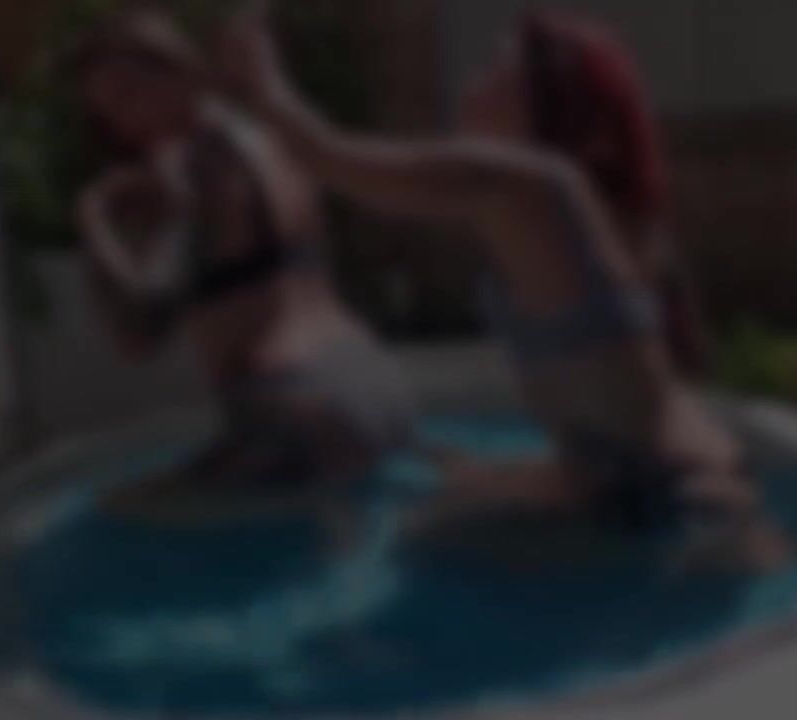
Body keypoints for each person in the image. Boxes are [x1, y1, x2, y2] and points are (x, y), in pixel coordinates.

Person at [217, 3, 788, 570]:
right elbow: (620, 403)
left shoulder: (534, 182)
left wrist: (265, 82)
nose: (475, 79)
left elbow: (329, 158)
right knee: (438, 502)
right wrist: (506, 478)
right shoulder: (575, 216)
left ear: (545, 103)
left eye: (497, 67)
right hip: (664, 495)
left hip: (675, 513)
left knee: (418, 550)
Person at [70, 7, 416, 524]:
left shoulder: (192, 165)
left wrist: (94, 220)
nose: (122, 121)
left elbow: (138, 334)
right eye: (106, 112)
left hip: (294, 406)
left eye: (127, 93)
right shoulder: (270, 138)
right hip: (374, 381)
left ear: (177, 70)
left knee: (117, 518)